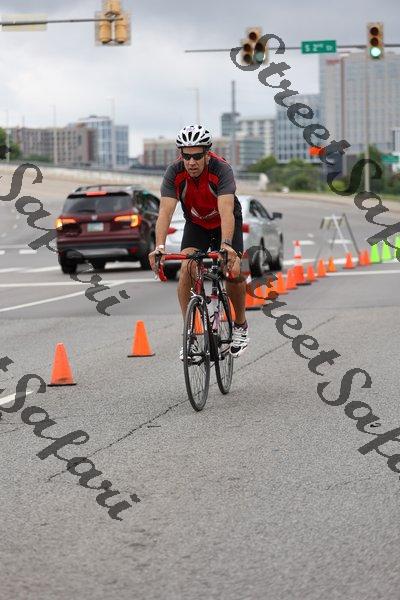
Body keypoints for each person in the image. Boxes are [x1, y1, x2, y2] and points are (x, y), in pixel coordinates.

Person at [149, 124, 249, 359]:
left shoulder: (221, 169)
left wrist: (226, 245)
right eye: (186, 156)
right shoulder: (174, 172)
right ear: (181, 155)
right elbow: (165, 212)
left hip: (225, 221)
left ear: (207, 154)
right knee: (187, 268)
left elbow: (226, 210)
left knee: (233, 270)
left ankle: (240, 325)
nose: (191, 162)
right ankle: (191, 334)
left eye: (196, 156)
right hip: (197, 224)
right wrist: (159, 247)